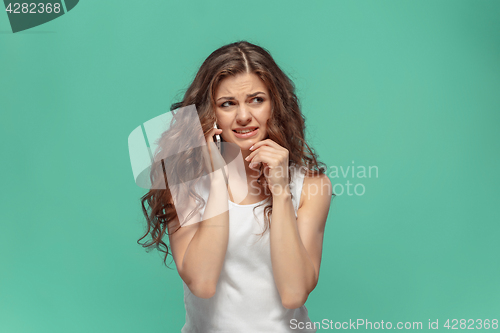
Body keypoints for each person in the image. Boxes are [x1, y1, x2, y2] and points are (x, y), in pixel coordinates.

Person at [139, 41, 333, 333]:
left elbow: (294, 292)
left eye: (256, 99)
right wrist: (217, 180)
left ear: (275, 105)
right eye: (227, 103)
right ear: (210, 111)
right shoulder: (182, 183)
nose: (244, 116)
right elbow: (202, 283)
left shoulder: (311, 186)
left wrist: (281, 192)